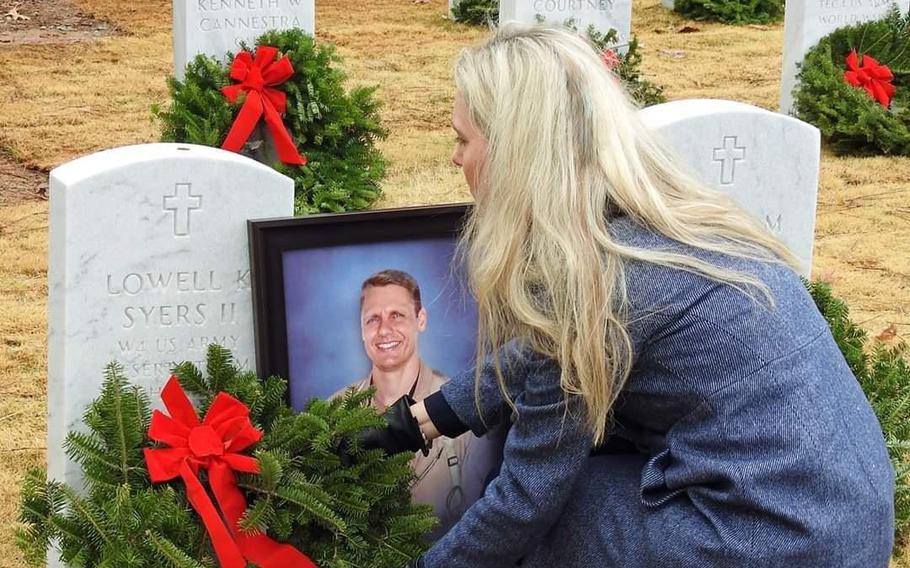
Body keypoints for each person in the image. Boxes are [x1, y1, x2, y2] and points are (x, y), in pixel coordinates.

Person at [356, 22, 896, 568]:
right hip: (849, 517)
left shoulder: (582, 280)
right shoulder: (659, 221)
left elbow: (525, 500)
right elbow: (541, 358)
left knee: (562, 511)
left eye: (462, 139)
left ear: (512, 152)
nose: (453, 158)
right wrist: (427, 417)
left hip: (779, 541)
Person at [335, 269, 497, 536]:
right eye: (372, 319)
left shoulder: (464, 409)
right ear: (361, 330)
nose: (384, 330)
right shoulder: (334, 411)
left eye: (396, 316)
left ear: (421, 320)